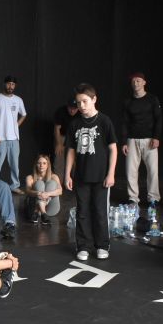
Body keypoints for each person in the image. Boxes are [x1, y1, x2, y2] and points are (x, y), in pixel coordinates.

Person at [65, 83, 117, 260]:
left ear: (94, 99)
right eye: (78, 102)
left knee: (100, 212)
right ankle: (83, 246)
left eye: (85, 101)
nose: (81, 106)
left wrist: (111, 173)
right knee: (82, 212)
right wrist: (67, 174)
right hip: (81, 176)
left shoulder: (104, 121)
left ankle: (102, 245)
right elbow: (71, 151)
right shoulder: (74, 123)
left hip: (101, 177)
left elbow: (113, 149)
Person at [121, 72, 162, 205]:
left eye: (138, 81)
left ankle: (153, 198)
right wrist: (124, 142)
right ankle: (133, 198)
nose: (135, 83)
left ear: (144, 82)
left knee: (153, 171)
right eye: (133, 81)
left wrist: (156, 137)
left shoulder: (152, 99)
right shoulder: (128, 101)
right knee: (131, 171)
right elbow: (124, 123)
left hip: (149, 140)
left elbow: (158, 119)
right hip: (132, 140)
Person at [0, 75, 27, 193]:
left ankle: (14, 185)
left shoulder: (18, 100)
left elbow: (24, 114)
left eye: (13, 84)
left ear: (15, 86)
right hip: (0, 137)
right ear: (4, 84)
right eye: (9, 83)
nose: (10, 86)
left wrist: (16, 125)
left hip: (14, 138)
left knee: (15, 165)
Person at [23, 154, 63, 224]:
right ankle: (43, 214)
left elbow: (60, 191)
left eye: (44, 163)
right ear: (36, 165)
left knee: (52, 183)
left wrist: (47, 194)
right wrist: (38, 193)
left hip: (51, 209)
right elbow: (28, 191)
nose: (41, 165)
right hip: (33, 208)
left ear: (48, 165)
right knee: (39, 183)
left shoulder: (54, 176)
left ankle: (40, 212)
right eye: (39, 163)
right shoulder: (30, 177)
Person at [53, 99, 79, 176]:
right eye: (70, 108)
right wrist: (58, 144)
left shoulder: (81, 113)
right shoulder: (61, 111)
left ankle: (75, 180)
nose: (72, 111)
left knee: (74, 160)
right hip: (61, 136)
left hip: (75, 137)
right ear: (67, 106)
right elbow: (57, 128)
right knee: (59, 159)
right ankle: (59, 181)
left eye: (74, 109)